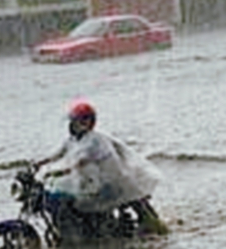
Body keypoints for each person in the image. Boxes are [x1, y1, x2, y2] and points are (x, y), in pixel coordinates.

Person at [33, 99, 164, 233]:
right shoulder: (73, 140)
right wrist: (39, 163)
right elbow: (57, 154)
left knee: (70, 200)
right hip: (88, 182)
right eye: (76, 120)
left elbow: (81, 159)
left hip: (105, 185)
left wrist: (63, 171)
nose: (78, 124)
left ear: (90, 121)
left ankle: (85, 233)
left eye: (83, 120)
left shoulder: (95, 140)